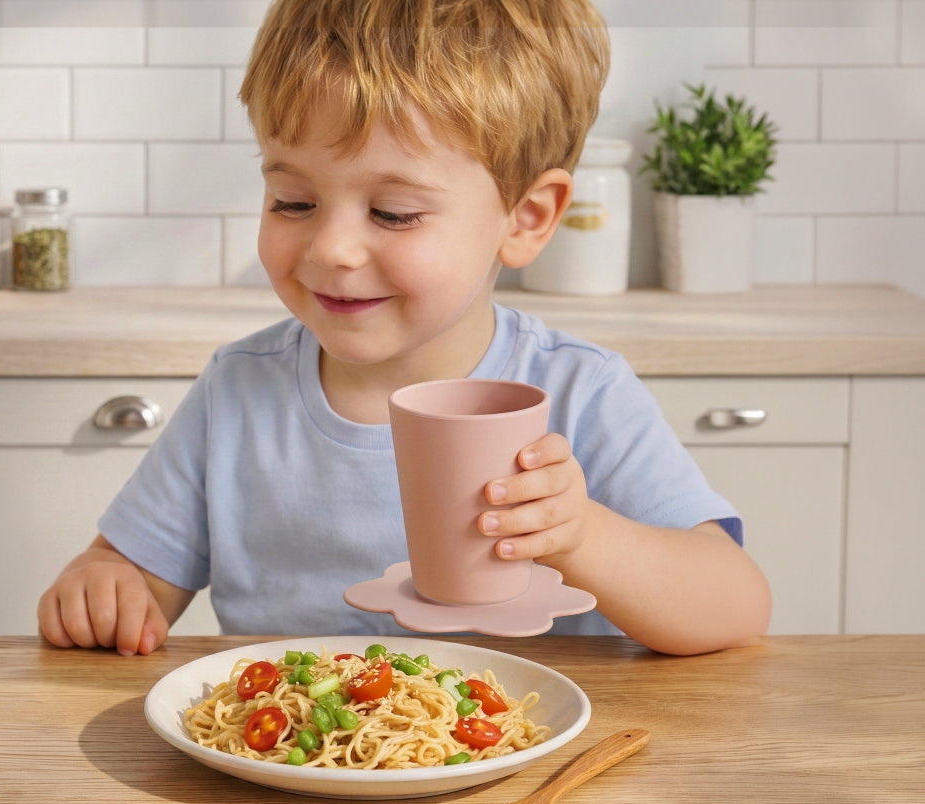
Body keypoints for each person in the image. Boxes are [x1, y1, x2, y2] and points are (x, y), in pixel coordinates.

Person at [37, 0, 771, 658]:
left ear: (526, 218)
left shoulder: (580, 392)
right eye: (293, 201)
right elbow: (129, 572)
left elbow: (734, 605)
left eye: (393, 214)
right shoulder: (240, 391)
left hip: (528, 790)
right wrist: (104, 585)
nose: (331, 250)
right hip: (288, 788)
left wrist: (584, 534)